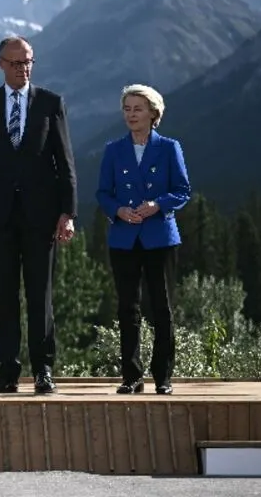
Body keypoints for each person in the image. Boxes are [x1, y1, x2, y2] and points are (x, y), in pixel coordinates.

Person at [0, 36, 76, 395]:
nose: (23, 69)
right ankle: (7, 372)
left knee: (40, 295)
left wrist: (68, 212)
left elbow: (65, 162)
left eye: (28, 62)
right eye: (15, 63)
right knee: (2, 295)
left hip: (42, 217)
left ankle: (43, 371)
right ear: (0, 64)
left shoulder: (51, 103)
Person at [95, 84, 190, 395]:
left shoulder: (170, 148)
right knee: (127, 309)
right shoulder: (113, 149)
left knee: (162, 308)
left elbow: (182, 191)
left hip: (159, 237)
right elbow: (103, 193)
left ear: (153, 113)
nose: (131, 114)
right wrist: (118, 210)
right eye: (127, 109)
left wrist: (157, 205)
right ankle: (132, 377)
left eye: (138, 109)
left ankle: (163, 378)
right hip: (124, 238)